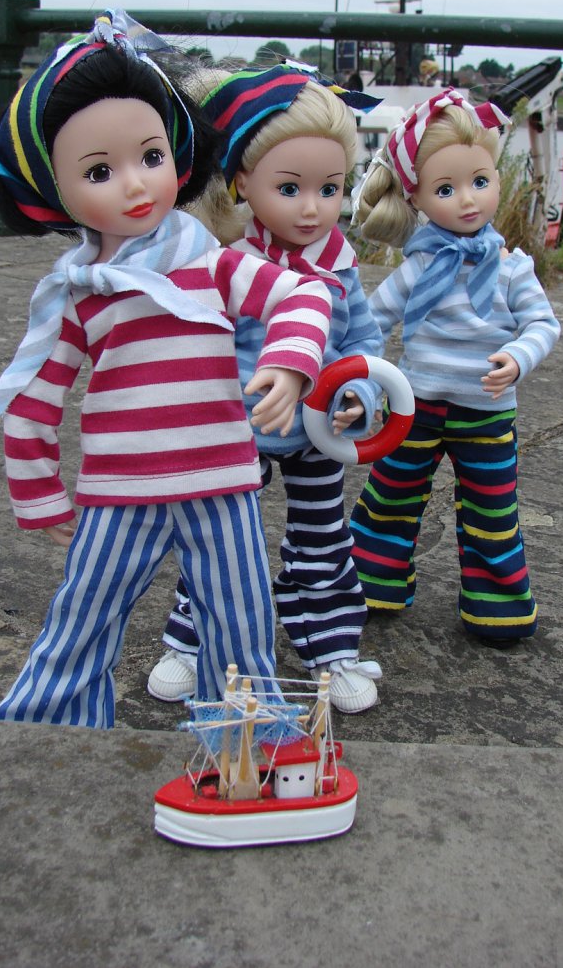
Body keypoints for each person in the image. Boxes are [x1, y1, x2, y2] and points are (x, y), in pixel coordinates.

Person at [0, 14, 332, 727]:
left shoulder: (212, 263)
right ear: (55, 189)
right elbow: (33, 395)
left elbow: (302, 294)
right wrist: (40, 491)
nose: (135, 185)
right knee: (82, 617)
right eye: (98, 172)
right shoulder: (81, 293)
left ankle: (244, 738)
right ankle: (48, 727)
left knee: (240, 624)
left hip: (223, 480)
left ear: (176, 151)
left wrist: (290, 362)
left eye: (151, 156)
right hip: (121, 487)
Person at [147, 63, 386, 713]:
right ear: (242, 182)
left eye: (330, 188)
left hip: (319, 427)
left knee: (323, 537)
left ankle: (330, 646)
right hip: (237, 427)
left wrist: (363, 392)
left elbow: (363, 341)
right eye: (289, 187)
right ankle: (193, 640)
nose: (312, 207)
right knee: (217, 537)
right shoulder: (227, 261)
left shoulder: (340, 265)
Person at [349, 88, 561, 646]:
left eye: (480, 181)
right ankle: (371, 582)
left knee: (492, 508)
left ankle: (498, 606)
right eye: (445, 189)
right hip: (414, 405)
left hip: (486, 411)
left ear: (497, 179)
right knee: (390, 494)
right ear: (416, 196)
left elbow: (543, 325)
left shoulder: (512, 268)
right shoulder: (420, 265)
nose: (467, 200)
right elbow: (372, 320)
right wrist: (360, 379)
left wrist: (518, 357)